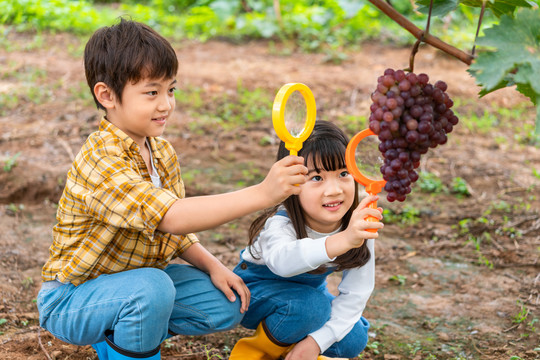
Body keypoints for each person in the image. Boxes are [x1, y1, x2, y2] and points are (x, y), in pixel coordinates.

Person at [36, 18, 308, 360]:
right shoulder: (100, 159)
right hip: (72, 299)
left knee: (226, 303)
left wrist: (213, 265)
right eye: (152, 92)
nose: (166, 104)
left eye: (171, 90)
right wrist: (263, 193)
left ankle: (124, 329)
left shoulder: (161, 152)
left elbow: (174, 234)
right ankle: (128, 342)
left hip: (135, 284)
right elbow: (171, 217)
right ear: (106, 95)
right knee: (152, 288)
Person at [229, 121, 384, 360]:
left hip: (308, 297)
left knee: (354, 334)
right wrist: (342, 240)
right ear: (291, 183)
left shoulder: (357, 224)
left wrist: (316, 342)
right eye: (316, 178)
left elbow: (356, 293)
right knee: (310, 308)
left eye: (343, 174)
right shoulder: (281, 223)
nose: (333, 190)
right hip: (256, 293)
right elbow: (284, 262)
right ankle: (258, 350)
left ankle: (296, 351)